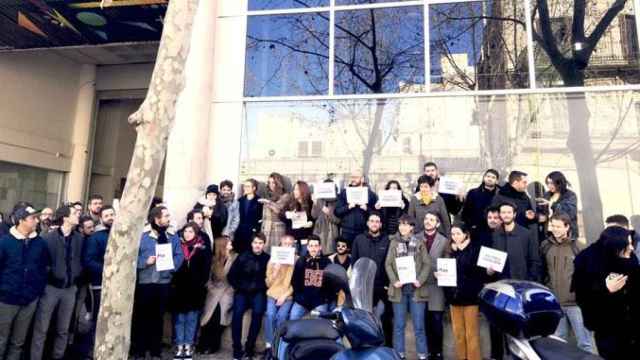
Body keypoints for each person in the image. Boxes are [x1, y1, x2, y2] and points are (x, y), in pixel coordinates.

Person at [572, 226, 640, 359]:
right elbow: (582, 297)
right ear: (615, 246)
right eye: (628, 244)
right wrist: (604, 288)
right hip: (608, 332)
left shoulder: (631, 259)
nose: (632, 248)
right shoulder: (588, 261)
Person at [31, 205, 84, 360]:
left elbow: (79, 260)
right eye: (74, 213)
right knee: (41, 328)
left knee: (64, 328)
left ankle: (58, 356)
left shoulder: (79, 238)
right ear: (65, 217)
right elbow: (40, 263)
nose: (78, 215)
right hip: (51, 288)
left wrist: (76, 275)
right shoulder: (47, 238)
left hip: (70, 289)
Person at [131, 206, 184, 360]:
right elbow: (132, 257)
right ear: (156, 219)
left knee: (158, 318)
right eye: (166, 216)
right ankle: (139, 351)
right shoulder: (143, 235)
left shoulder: (172, 236)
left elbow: (179, 255)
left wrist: (170, 268)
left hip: (163, 283)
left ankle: (156, 352)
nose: (169, 218)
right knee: (141, 318)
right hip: (145, 282)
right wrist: (144, 262)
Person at [0, 205, 50, 360]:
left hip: (29, 300)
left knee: (18, 342)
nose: (36, 221)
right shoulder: (5, 242)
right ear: (21, 220)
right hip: (6, 300)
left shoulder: (40, 243)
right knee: (1, 340)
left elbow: (45, 267)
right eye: (33, 218)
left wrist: (37, 290)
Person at [539, 214, 594, 353]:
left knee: (585, 344)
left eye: (558, 226)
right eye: (553, 226)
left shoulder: (578, 246)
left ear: (567, 227)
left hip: (577, 304)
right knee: (558, 343)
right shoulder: (545, 246)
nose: (555, 229)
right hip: (556, 304)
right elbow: (542, 271)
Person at [385, 214, 431, 360]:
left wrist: (420, 280)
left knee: (419, 327)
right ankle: (399, 355)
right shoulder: (393, 243)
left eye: (406, 224)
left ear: (412, 227)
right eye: (400, 224)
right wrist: (394, 281)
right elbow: (388, 264)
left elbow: (427, 264)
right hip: (399, 291)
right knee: (398, 326)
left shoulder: (419, 242)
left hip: (416, 291)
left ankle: (423, 355)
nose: (402, 227)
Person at [171, 222, 212, 359]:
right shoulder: (178, 245)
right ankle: (179, 345)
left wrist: (200, 283)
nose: (187, 234)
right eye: (186, 231)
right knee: (180, 319)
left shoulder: (202, 247)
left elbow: (206, 268)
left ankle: (188, 345)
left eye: (191, 232)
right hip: (179, 288)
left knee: (192, 318)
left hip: (195, 289)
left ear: (196, 234)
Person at [351, 212, 393, 346]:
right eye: (372, 221)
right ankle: (366, 346)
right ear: (368, 223)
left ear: (380, 224)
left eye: (377, 221)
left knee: (386, 318)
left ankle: (387, 346)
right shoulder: (359, 239)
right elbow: (355, 263)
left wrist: (388, 283)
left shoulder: (387, 240)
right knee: (365, 318)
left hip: (383, 286)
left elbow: (391, 263)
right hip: (365, 286)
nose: (374, 223)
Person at [227, 233, 270, 360]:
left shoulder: (267, 258)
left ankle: (249, 347)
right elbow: (231, 275)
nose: (258, 245)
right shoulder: (242, 256)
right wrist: (238, 287)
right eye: (255, 242)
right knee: (237, 313)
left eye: (260, 243)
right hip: (242, 291)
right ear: (252, 244)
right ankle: (237, 349)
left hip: (259, 291)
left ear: (264, 244)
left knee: (257, 313)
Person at [79, 205, 115, 358]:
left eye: (112, 214)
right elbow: (88, 261)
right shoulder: (95, 238)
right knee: (97, 320)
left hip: (117, 287)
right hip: (99, 285)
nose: (110, 217)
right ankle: (92, 351)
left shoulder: (121, 234)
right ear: (101, 218)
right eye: (107, 215)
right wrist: (108, 271)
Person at [445, 223, 484, 360]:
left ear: (465, 234)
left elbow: (479, 273)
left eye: (458, 233)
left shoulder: (475, 249)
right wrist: (441, 275)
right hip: (454, 298)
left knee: (471, 333)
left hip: (470, 297)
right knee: (458, 333)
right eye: (453, 234)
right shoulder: (450, 251)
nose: (455, 237)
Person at [416, 212, 449, 360]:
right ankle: (428, 352)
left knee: (436, 322)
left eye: (431, 220)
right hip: (420, 286)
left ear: (437, 224)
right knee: (424, 322)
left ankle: (438, 352)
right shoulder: (415, 238)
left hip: (437, 287)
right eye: (426, 219)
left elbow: (447, 261)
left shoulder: (444, 241)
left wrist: (441, 272)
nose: (428, 222)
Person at [197, 237, 236, 355]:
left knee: (218, 319)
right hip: (213, 293)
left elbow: (237, 278)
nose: (231, 244)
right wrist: (211, 289)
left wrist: (231, 290)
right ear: (222, 246)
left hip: (227, 292)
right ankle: (203, 344)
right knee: (207, 319)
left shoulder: (235, 258)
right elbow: (207, 278)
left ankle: (213, 345)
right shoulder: (214, 260)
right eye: (228, 243)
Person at [489, 202, 541, 281]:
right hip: (501, 282)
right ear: (500, 214)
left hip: (522, 282)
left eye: (509, 212)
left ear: (514, 214)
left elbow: (535, 260)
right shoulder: (495, 235)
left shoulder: (526, 234)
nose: (506, 215)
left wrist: (529, 279)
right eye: (503, 212)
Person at [264, 234, 296, 352]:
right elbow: (268, 283)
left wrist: (285, 295)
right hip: (272, 293)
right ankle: (269, 345)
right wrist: (275, 272)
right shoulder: (272, 260)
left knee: (281, 316)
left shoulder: (296, 261)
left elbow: (296, 284)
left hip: (287, 295)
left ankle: (279, 345)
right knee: (270, 315)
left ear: (293, 246)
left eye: (289, 244)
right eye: (284, 244)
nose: (287, 246)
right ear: (280, 245)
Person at [290, 235, 333, 320]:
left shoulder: (326, 262)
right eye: (311, 246)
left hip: (319, 300)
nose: (313, 249)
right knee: (293, 317)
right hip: (303, 299)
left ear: (320, 247)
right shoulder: (301, 260)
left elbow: (330, 283)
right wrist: (299, 297)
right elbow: (295, 281)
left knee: (320, 321)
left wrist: (325, 298)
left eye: (316, 246)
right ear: (307, 247)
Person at [335, 169, 378, 245]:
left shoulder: (370, 195)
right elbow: (337, 212)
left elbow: (377, 214)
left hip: (364, 232)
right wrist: (348, 207)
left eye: (356, 177)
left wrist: (366, 209)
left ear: (362, 179)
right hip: (347, 232)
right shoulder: (344, 193)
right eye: (351, 177)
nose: (353, 179)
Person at [461, 169, 499, 239]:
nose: (490, 179)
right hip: (476, 230)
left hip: (495, 231)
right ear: (484, 178)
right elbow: (466, 212)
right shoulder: (473, 193)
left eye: (493, 177)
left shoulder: (500, 194)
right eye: (488, 176)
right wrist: (471, 226)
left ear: (497, 181)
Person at [538, 171, 579, 237]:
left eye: (551, 183)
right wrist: (540, 216)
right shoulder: (547, 195)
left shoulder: (569, 195)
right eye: (547, 183)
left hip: (566, 234)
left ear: (559, 183)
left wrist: (552, 204)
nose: (549, 186)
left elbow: (571, 212)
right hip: (549, 232)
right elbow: (544, 213)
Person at [259, 173, 289, 252]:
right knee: (265, 253)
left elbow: (278, 210)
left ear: (278, 183)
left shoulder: (285, 196)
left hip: (277, 229)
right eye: (269, 182)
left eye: (273, 182)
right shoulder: (267, 195)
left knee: (277, 253)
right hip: (266, 228)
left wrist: (268, 202)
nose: (271, 185)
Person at [282, 181, 314, 255]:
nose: (294, 191)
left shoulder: (310, 203)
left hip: (305, 239)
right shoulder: (289, 203)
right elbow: (281, 216)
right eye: (294, 189)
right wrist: (289, 215)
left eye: (297, 189)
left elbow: (313, 218)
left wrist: (310, 223)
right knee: (292, 262)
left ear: (303, 190)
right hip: (292, 239)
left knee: (303, 260)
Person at [311, 179, 340, 255]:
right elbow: (314, 216)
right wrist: (314, 204)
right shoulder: (319, 200)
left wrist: (328, 213)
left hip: (332, 233)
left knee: (331, 255)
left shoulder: (337, 201)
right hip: (319, 231)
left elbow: (338, 221)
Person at [235, 179, 263, 254]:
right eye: (244, 186)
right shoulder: (240, 200)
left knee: (250, 254)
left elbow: (261, 217)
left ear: (254, 188)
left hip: (252, 232)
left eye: (248, 186)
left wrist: (256, 229)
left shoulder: (259, 201)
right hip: (240, 232)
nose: (245, 188)